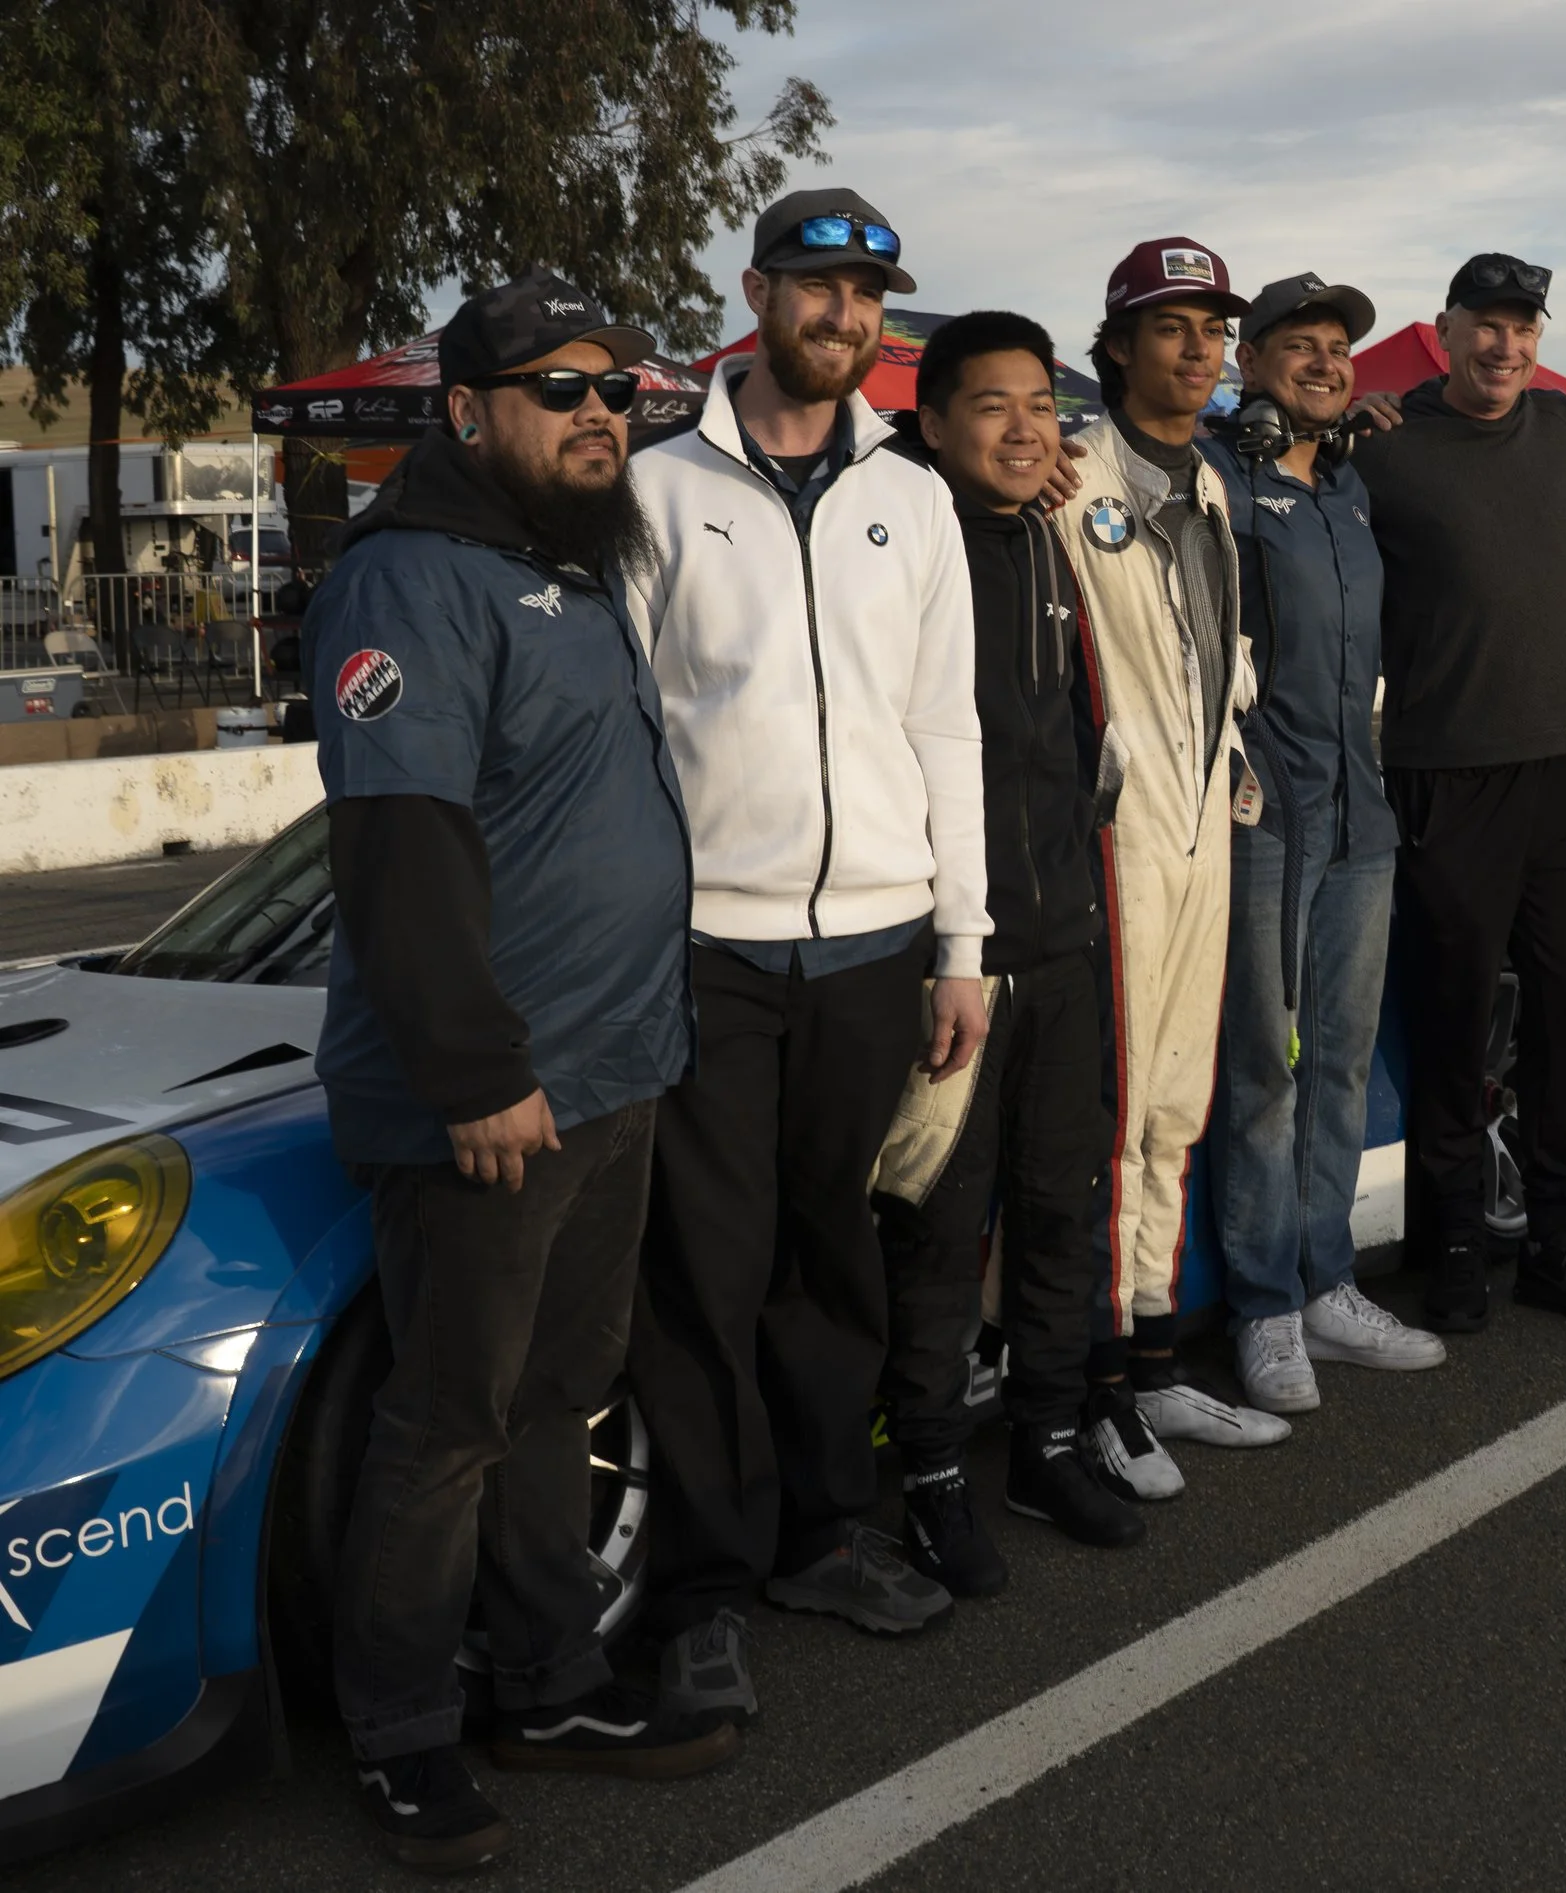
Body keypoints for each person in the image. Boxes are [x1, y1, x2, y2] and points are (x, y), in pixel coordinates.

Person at [309, 269, 731, 1871]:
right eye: (561, 388)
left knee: (562, 1394)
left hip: (611, 1073)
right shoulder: (413, 577)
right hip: (493, 1102)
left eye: (618, 387)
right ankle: (403, 1730)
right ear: (469, 411)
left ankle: (550, 1680)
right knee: (453, 1422)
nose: (600, 413)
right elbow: (404, 849)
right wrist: (478, 1072)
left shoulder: (566, 563)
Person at [625, 189, 988, 1716]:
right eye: (824, 291)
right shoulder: (653, 490)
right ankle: (703, 1584)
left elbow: (945, 725)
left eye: (871, 299)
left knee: (833, 1255)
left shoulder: (912, 494)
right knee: (705, 1276)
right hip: (709, 949)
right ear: (761, 293)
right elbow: (628, 736)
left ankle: (827, 1530)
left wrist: (963, 940)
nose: (848, 319)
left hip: (878, 946)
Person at [871, 309, 1148, 1594]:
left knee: (1058, 1207)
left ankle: (1044, 1436)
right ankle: (925, 1468)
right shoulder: (902, 549)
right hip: (953, 963)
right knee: (935, 1231)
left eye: (1043, 404)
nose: (1027, 428)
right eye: (993, 405)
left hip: (1067, 939)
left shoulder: (1051, 539)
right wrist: (946, 945)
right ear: (929, 423)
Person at [1353, 255, 1566, 1335]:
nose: (1506, 348)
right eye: (1487, 327)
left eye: (1523, 330)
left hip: (1565, 771)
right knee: (1453, 1021)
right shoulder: (1385, 447)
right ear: (1446, 329)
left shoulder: (1564, 432)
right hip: (1444, 775)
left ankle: (1558, 1236)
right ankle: (1454, 1244)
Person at [1058, 235, 1290, 1499]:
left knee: (1176, 1109)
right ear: (1117, 345)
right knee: (1116, 1114)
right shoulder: (1064, 468)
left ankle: (1151, 1367)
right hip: (1116, 836)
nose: (1197, 351)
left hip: (1206, 817)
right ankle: (1097, 1391)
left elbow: (1220, 660)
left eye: (1211, 330)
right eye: (1171, 328)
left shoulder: (1205, 480)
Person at [1200, 272, 1447, 1414]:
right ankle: (1261, 1307)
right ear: (1246, 363)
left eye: (1336, 347)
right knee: (1264, 1075)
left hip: (1363, 816)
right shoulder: (1218, 479)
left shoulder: (1350, 484)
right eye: (1294, 344)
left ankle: (1326, 1284)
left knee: (1340, 1065)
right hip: (1263, 828)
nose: (1323, 360)